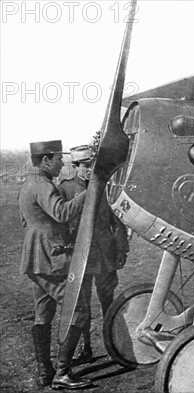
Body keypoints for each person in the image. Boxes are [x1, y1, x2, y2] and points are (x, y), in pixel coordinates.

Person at [18, 140, 92, 389]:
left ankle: (44, 373)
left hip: (36, 259)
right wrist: (87, 194)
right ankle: (62, 372)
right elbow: (61, 213)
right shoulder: (41, 183)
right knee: (79, 310)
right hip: (50, 259)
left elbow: (26, 222)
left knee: (44, 313)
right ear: (46, 159)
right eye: (59, 159)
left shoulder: (30, 183)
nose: (63, 163)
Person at [57, 145, 129, 364]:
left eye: (93, 166)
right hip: (81, 258)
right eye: (86, 166)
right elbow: (59, 222)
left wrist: (121, 248)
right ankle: (85, 348)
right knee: (83, 306)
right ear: (76, 166)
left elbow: (118, 222)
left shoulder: (107, 188)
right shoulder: (66, 189)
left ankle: (113, 346)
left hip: (106, 255)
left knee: (109, 302)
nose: (90, 170)